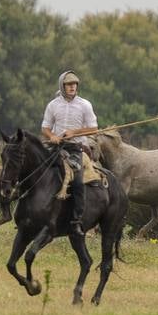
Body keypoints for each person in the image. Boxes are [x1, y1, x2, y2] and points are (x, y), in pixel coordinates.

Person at [41, 70, 97, 236]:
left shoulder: (85, 105)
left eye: (74, 84)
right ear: (62, 86)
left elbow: (94, 129)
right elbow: (45, 127)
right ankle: (33, 214)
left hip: (75, 148)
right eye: (68, 84)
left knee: (78, 182)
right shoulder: (53, 105)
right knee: (39, 173)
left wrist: (74, 132)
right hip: (57, 148)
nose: (72, 87)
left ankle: (77, 221)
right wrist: (52, 136)